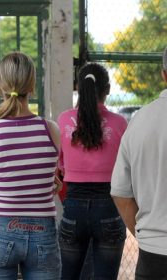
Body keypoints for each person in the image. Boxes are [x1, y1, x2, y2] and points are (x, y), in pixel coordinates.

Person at [0, 51, 61, 279]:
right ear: (32, 86)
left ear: (0, 84)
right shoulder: (52, 130)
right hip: (43, 232)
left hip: (0, 231)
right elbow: (47, 179)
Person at [57, 62, 127, 280]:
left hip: (73, 208)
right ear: (107, 90)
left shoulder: (63, 120)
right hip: (110, 207)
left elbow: (60, 166)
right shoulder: (120, 123)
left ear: (79, 87)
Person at [111, 47, 167, 280]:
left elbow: (121, 193)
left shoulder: (140, 121)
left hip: (153, 255)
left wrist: (146, 234)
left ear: (164, 74)